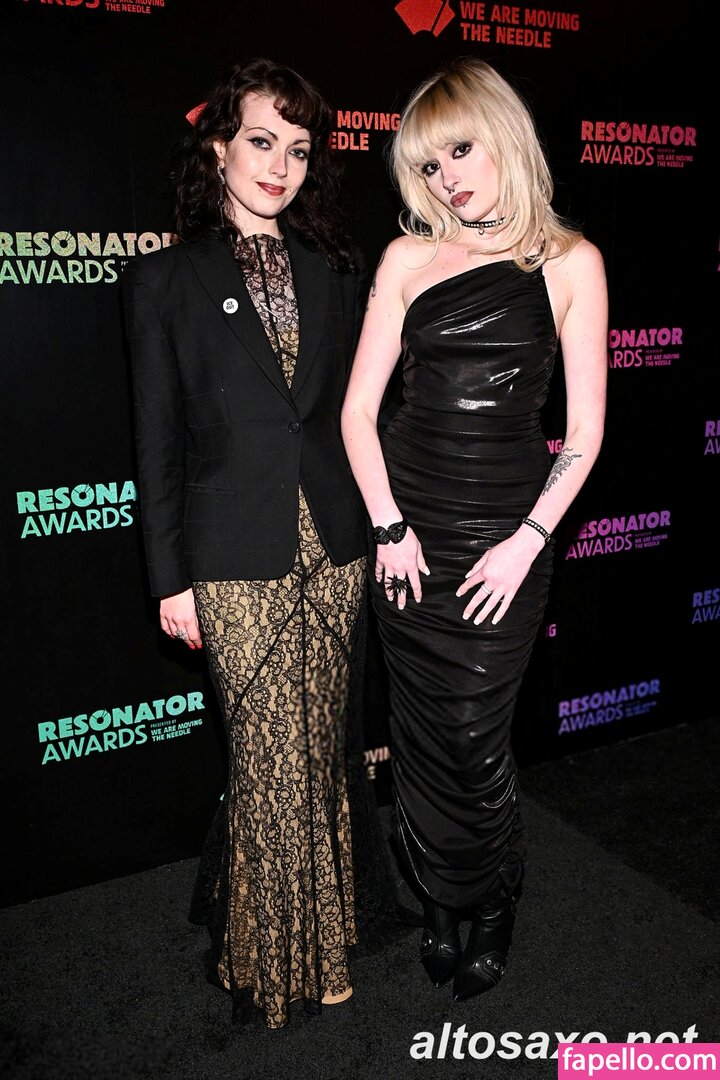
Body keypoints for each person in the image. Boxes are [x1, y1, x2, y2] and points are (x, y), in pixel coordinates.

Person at [341, 56, 607, 1003]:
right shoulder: (408, 259)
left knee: (474, 735)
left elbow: (585, 434)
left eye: (459, 150)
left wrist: (528, 540)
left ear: (503, 135)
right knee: (417, 732)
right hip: (409, 533)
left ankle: (492, 899)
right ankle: (441, 902)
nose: (447, 177)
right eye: (428, 164)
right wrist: (388, 528)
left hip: (508, 537)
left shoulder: (570, 262)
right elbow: (357, 412)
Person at [123, 57, 372, 1029]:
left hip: (336, 546)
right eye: (262, 141)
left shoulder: (335, 269)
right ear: (220, 146)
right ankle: (268, 967)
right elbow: (156, 443)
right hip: (231, 555)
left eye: (299, 150)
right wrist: (168, 579)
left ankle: (328, 943)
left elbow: (357, 416)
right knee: (267, 764)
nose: (279, 166)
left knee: (319, 756)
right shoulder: (162, 280)